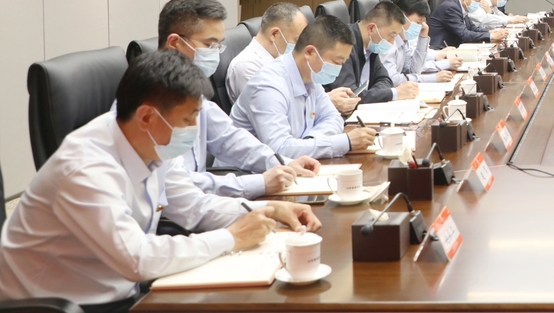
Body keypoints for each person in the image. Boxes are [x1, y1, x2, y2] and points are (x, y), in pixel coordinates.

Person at [0, 50, 321, 310]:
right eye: (188, 119)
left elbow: (194, 207)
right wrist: (231, 237)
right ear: (146, 117)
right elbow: (137, 258)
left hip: (122, 289)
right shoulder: (85, 168)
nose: (194, 130)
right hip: (62, 304)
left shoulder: (153, 146)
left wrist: (268, 210)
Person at [154, 0, 317, 199]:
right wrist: (260, 183)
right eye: (209, 45)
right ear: (174, 43)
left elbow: (230, 138)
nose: (215, 53)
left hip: (202, 202)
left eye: (218, 45)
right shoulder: (152, 101)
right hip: (176, 209)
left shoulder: (192, 92)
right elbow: (177, 184)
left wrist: (283, 162)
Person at [231, 15, 376, 159]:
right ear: (309, 52)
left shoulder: (311, 76)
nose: (339, 68)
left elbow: (333, 117)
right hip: (250, 170)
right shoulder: (268, 86)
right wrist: (346, 142)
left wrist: (309, 142)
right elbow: (280, 149)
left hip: (291, 166)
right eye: (336, 62)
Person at [324, 1, 419, 108]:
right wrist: (394, 93)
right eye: (391, 35)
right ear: (371, 28)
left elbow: (385, 79)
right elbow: (350, 97)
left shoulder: (371, 46)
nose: (392, 42)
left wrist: (370, 96)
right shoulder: (344, 44)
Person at [226, 2, 307, 103]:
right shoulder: (247, 67)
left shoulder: (283, 59)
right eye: (297, 40)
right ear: (274, 34)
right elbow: (270, 108)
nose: (301, 47)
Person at [428, 0, 509, 48]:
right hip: (440, 49)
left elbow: (472, 28)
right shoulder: (451, 8)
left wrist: (492, 31)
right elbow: (465, 34)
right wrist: (491, 36)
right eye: (477, 0)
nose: (479, 3)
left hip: (453, 46)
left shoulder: (461, 6)